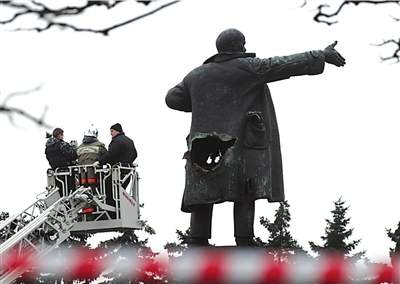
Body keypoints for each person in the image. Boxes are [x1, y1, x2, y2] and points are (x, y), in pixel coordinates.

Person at [165, 28, 346, 247]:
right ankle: (244, 238)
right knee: (244, 189)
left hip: (202, 145)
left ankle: (198, 239)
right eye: (242, 44)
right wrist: (320, 55)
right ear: (234, 46)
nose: (245, 48)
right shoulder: (248, 68)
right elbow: (282, 64)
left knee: (204, 193)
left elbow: (172, 98)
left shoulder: (195, 75)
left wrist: (206, 103)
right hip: (237, 144)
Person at [93, 123, 138, 208]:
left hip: (117, 173)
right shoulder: (129, 141)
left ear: (117, 131)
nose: (110, 133)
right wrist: (127, 161)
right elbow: (135, 154)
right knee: (119, 192)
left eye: (112, 131)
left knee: (109, 192)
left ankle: (112, 211)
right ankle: (119, 208)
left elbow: (111, 154)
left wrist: (100, 162)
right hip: (127, 172)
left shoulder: (117, 141)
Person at [45, 127, 78, 197]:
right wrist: (74, 147)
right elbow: (73, 155)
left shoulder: (48, 147)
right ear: (59, 135)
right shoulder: (62, 145)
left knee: (62, 194)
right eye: (62, 135)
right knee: (71, 194)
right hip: (67, 172)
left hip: (57, 173)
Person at [77, 124, 107, 190]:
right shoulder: (100, 146)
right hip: (96, 178)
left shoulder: (79, 147)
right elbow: (107, 157)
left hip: (82, 179)